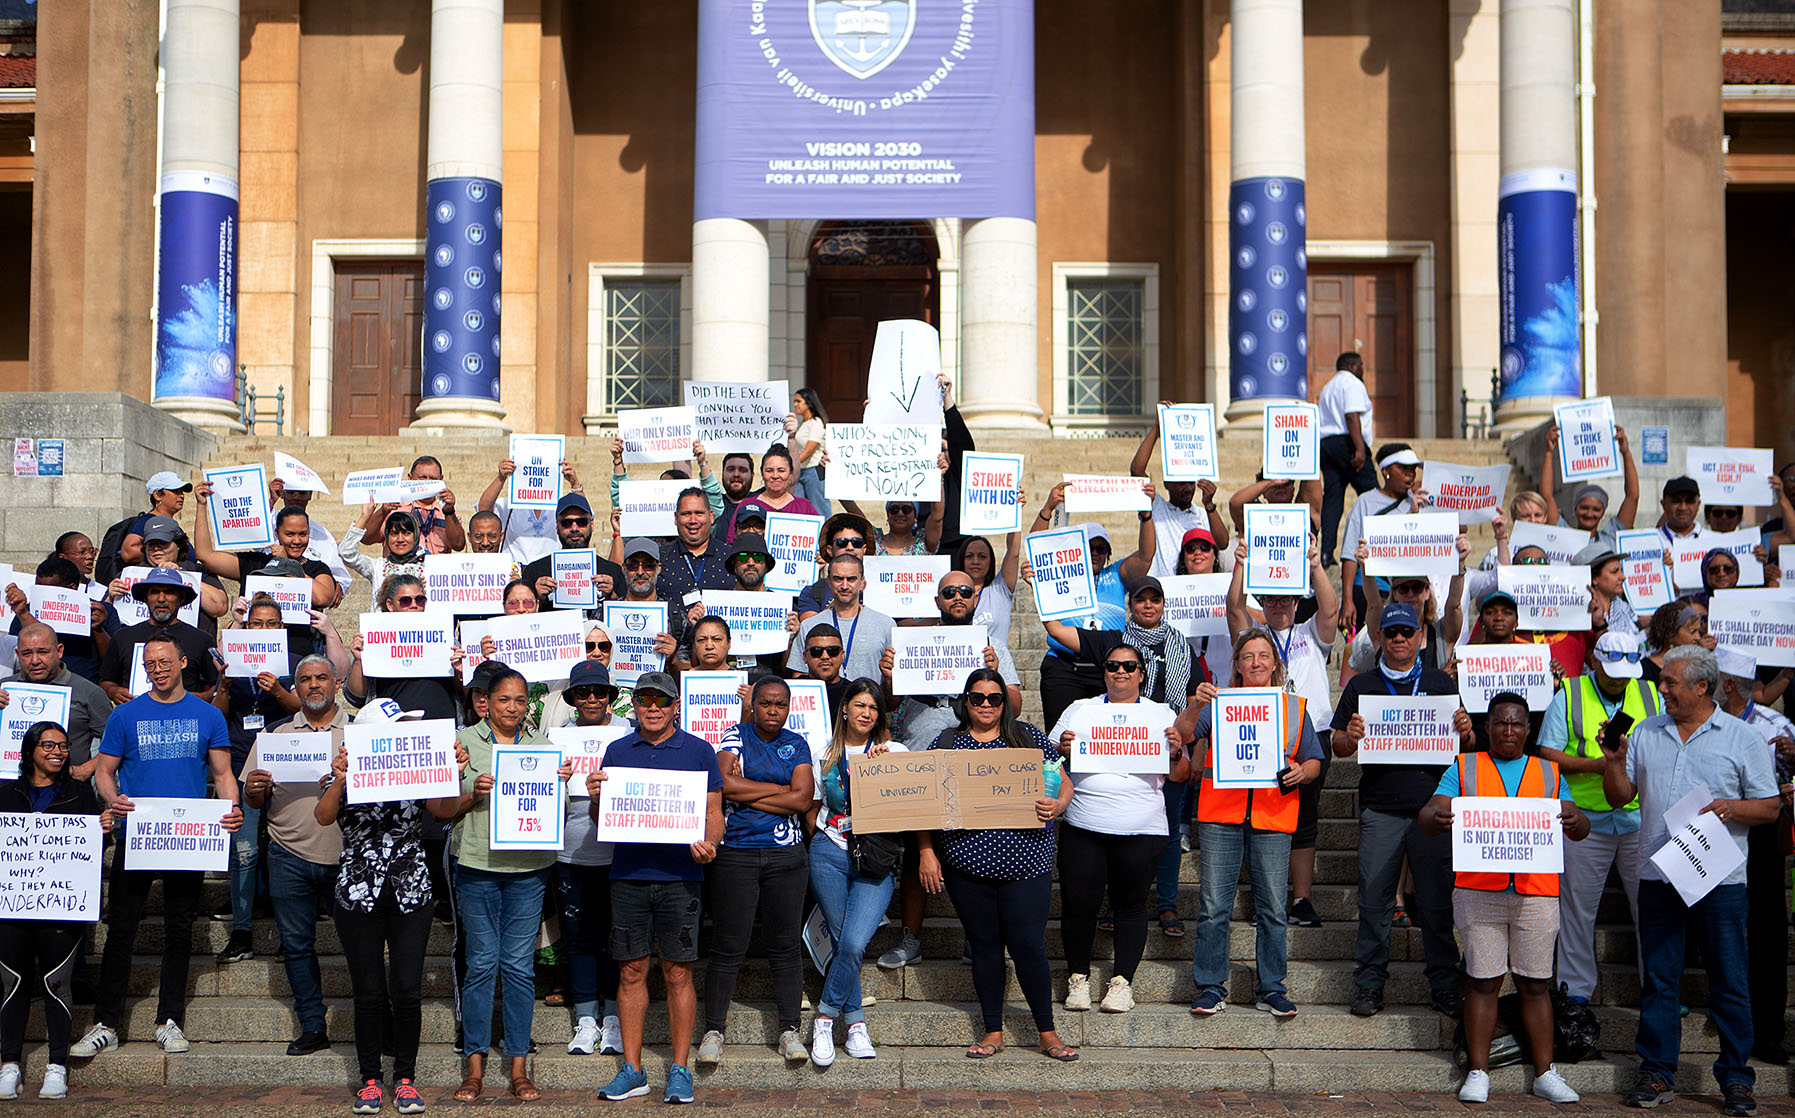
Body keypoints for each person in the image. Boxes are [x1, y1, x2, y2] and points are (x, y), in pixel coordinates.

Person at [1599, 646, 1779, 1115]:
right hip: (1658, 877)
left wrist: (1731, 808)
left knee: (1729, 980)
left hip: (1720, 882)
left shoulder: (1743, 738)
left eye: (1670, 682)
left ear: (1702, 686)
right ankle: (1658, 1071)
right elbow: (1619, 797)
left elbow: (1770, 807)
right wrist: (1614, 761)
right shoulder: (1645, 732)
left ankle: (1736, 1078)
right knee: (1659, 980)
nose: (1661, 689)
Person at [74, 632, 242, 1059]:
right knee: (121, 929)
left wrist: (233, 809)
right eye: (150, 664)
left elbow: (223, 775)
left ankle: (169, 1019)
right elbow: (105, 771)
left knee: (179, 929)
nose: (158, 669)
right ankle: (107, 1022)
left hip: (187, 839)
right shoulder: (125, 715)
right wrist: (113, 799)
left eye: (165, 661)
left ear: (183, 663)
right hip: (138, 835)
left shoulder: (208, 715)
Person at [1418, 691, 1588, 1105]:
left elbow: (1579, 826)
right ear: (1487, 727)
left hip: (1536, 893)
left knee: (1536, 983)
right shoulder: (1464, 767)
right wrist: (1435, 817)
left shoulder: (1548, 771)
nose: (1508, 730)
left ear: (1528, 730)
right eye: (1500, 723)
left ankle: (1545, 1073)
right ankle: (1478, 1072)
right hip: (1479, 892)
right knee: (1483, 981)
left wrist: (1576, 819)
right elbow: (1428, 814)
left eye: (1516, 724)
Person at [917, 669, 1076, 1062]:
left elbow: (1063, 779)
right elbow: (924, 802)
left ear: (1005, 702)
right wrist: (926, 851)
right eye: (977, 697)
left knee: (1028, 946)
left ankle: (1047, 1032)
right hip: (967, 866)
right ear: (965, 702)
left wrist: (1059, 804)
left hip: (1027, 863)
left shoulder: (1028, 737)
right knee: (985, 947)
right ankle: (993, 1031)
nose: (986, 705)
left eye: (994, 698)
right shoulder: (947, 742)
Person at [1331, 602, 1475, 1018]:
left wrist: (1466, 732)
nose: (1398, 639)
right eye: (1391, 633)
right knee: (1374, 901)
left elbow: (1466, 746)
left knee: (1436, 902)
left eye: (1406, 633)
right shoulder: (1362, 686)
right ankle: (1369, 983)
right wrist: (1350, 737)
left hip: (1434, 810)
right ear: (1380, 637)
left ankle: (1444, 984)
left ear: (1419, 638)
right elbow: (1338, 745)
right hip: (1382, 808)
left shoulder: (1440, 683)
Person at [876, 571, 1023, 970]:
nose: (958, 596)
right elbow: (890, 703)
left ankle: (978, 939)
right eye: (949, 592)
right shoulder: (913, 642)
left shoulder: (992, 645)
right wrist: (889, 677)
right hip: (922, 748)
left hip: (977, 759)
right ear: (937, 601)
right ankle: (911, 938)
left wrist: (995, 674)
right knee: (916, 851)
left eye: (965, 591)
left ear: (976, 598)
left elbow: (1015, 706)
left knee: (975, 847)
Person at [590, 672, 724, 1105]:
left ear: (676, 706)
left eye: (661, 700)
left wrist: (711, 844)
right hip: (628, 875)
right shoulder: (617, 750)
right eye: (645, 699)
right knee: (630, 971)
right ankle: (632, 1069)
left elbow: (714, 812)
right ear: (633, 705)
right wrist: (595, 799)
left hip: (681, 877)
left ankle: (680, 1069)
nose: (653, 707)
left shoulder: (699, 751)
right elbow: (602, 819)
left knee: (678, 972)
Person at [317, 700, 455, 1116]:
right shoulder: (342, 768)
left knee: (408, 989)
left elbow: (444, 811)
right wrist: (340, 779)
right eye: (397, 726)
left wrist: (449, 771)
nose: (405, 733)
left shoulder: (417, 768)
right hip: (358, 890)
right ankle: (370, 1080)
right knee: (369, 991)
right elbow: (323, 816)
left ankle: (406, 1079)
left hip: (410, 888)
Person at [1182, 629, 1324, 1019]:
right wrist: (1196, 704)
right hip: (1221, 815)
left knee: (1274, 908)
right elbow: (1184, 734)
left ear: (1275, 663)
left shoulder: (1293, 707)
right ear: (1238, 665)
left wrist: (1303, 772)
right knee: (1213, 907)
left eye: (1263, 655)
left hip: (1273, 815)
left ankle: (1272, 988)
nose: (1257, 662)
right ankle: (1210, 986)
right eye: (1248, 656)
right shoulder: (1219, 702)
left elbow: (1314, 759)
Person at [430, 667, 556, 1103]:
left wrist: (558, 785)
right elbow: (441, 808)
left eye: (520, 700)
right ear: (486, 702)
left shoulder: (544, 748)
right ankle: (474, 1066)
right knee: (482, 964)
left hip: (528, 869)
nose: (512, 708)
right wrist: (472, 793)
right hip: (477, 866)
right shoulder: (462, 743)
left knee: (519, 967)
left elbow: (553, 811)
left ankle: (519, 1066)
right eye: (504, 699)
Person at [1050, 644, 1188, 1014]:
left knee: (1131, 905)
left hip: (1142, 827)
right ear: (1104, 672)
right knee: (1078, 904)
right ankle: (1077, 978)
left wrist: (1176, 752)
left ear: (1142, 673)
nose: (1120, 671)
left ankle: (1122, 982)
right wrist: (1062, 748)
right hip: (1085, 823)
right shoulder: (1080, 709)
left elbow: (1181, 774)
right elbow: (1047, 761)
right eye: (1113, 665)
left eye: (1129, 666)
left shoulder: (1162, 713)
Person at [1536, 631, 1659, 1005]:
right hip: (1586, 821)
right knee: (1577, 911)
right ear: (1593, 661)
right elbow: (1547, 753)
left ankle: (1659, 990)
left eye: (1625, 674)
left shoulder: (1650, 692)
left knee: (1652, 908)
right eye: (1611, 672)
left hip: (1638, 817)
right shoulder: (1570, 693)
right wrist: (1597, 766)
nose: (1619, 680)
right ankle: (1575, 992)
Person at [698, 676, 815, 1068]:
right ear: (754, 705)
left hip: (787, 857)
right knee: (728, 945)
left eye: (780, 704)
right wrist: (778, 791)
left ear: (789, 707)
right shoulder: (735, 735)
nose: (772, 710)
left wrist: (748, 789)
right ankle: (714, 1030)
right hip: (737, 854)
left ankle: (789, 1030)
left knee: (785, 945)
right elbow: (723, 785)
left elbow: (802, 799)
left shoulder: (797, 744)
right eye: (765, 703)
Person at [1225, 536, 1339, 922]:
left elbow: (1331, 607)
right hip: (1262, 733)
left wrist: (1315, 564)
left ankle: (1301, 900)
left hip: (1311, 732)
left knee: (1305, 818)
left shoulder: (1310, 633)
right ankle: (1267, 900)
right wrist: (1241, 564)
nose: (1278, 605)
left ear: (1296, 602)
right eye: (1271, 600)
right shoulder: (1255, 639)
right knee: (1263, 819)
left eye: (1285, 599)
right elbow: (1234, 608)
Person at [242, 653, 347, 1057]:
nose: (314, 684)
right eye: (305, 679)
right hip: (287, 854)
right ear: (296, 687)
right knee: (298, 946)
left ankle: (374, 1021)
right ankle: (312, 1025)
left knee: (361, 946)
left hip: (348, 859)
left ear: (337, 683)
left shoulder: (361, 732)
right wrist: (254, 788)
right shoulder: (275, 734)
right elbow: (254, 799)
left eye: (322, 677)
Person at [0, 722, 111, 1101]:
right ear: (30, 749)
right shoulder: (6, 794)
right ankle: (9, 1065)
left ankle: (56, 1066)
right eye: (48, 745)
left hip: (61, 908)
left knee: (57, 984)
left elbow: (90, 847)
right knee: (12, 983)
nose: (57, 752)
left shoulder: (79, 794)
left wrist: (104, 830)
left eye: (63, 746)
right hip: (13, 908)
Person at [805, 679, 900, 1066]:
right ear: (844, 708)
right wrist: (821, 841)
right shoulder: (823, 753)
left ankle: (826, 1018)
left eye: (873, 708)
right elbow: (813, 808)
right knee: (842, 939)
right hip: (829, 852)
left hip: (875, 858)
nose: (866, 713)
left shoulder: (894, 751)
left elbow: (910, 803)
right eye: (860, 705)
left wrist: (886, 768)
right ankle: (857, 1024)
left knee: (854, 942)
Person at [1715, 648, 1795, 1065]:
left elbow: (1790, 787)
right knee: (1720, 928)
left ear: (1728, 684)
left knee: (1767, 933)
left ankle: (1768, 1031)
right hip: (1716, 830)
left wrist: (1793, 762)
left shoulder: (1776, 725)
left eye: (1714, 679)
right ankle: (1729, 1015)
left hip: (1762, 836)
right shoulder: (1705, 721)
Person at [1029, 479, 1157, 729]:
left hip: (1107, 668)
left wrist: (1146, 516)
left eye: (1101, 548)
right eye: (1090, 547)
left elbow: (1145, 555)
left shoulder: (1117, 573)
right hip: (1065, 667)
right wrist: (1047, 510)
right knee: (1061, 738)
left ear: (1108, 553)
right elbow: (1038, 551)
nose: (1096, 553)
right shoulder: (1063, 572)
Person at [554, 661, 625, 1060]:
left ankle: (613, 1016)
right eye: (583, 693)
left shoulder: (628, 733)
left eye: (600, 692)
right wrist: (555, 781)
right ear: (572, 699)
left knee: (617, 936)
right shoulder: (557, 741)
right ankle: (585, 1018)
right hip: (569, 851)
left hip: (619, 854)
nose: (592, 699)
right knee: (579, 937)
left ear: (611, 696)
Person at [191, 486, 342, 613]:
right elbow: (205, 555)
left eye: (303, 534)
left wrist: (287, 565)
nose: (296, 541)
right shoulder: (257, 563)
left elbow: (322, 598)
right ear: (277, 533)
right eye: (289, 534)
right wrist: (201, 506)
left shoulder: (317, 568)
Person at [344, 574, 462, 724]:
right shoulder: (373, 640)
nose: (414, 605)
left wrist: (459, 670)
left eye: (420, 599)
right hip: (392, 729)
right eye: (405, 601)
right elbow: (355, 697)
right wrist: (359, 661)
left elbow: (464, 692)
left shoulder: (445, 639)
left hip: (441, 725)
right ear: (390, 605)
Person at [0, 620, 112, 776]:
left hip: (67, 786)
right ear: (18, 655)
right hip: (10, 785)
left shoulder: (89, 692)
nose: (35, 660)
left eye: (43, 652)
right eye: (27, 654)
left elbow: (117, 742)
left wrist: (86, 769)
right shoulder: (4, 687)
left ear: (59, 651)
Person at [1338, 444, 1427, 633]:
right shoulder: (1366, 502)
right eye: (1403, 469)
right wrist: (1347, 600)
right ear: (1386, 471)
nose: (1410, 474)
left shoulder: (1419, 502)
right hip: (1368, 589)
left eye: (1413, 469)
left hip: (1405, 592)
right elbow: (1349, 554)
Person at [97, 566, 218, 704]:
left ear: (181, 598)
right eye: (154, 592)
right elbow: (105, 681)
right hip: (136, 713)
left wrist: (202, 697)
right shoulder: (123, 637)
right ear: (145, 597)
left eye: (169, 592)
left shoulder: (201, 640)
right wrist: (113, 691)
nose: (161, 599)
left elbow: (218, 684)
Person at [784, 553, 895, 686]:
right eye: (838, 579)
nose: (844, 586)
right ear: (829, 582)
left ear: (862, 583)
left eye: (851, 579)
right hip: (825, 699)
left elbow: (892, 680)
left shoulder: (886, 625)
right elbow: (799, 675)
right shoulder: (809, 625)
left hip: (869, 698)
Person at [11, 556, 121, 688]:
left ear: (72, 588)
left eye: (48, 592)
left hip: (83, 690)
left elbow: (113, 662)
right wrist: (23, 613)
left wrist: (98, 629)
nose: (42, 597)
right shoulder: (26, 611)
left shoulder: (101, 611)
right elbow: (17, 655)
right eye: (39, 590)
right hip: (36, 687)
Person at [1317, 353, 1379, 567]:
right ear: (1352, 366)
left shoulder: (1328, 387)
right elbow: (1351, 416)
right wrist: (1360, 449)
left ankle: (1326, 552)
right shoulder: (1352, 383)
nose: (1363, 370)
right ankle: (1382, 545)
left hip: (1327, 445)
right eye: (1361, 365)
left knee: (1333, 499)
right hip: (1349, 444)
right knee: (1374, 495)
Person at [1541, 422, 1641, 548]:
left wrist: (1626, 453)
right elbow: (1546, 496)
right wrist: (1549, 452)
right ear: (1575, 509)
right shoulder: (1563, 535)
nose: (1589, 514)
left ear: (1603, 512)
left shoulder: (1612, 537)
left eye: (1596, 509)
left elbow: (1632, 497)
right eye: (1584, 508)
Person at [521, 493, 623, 608]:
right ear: (557, 526)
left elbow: (626, 612)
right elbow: (521, 614)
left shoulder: (613, 572)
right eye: (567, 523)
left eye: (581, 522)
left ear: (592, 524)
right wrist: (535, 598)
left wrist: (612, 596)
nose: (574, 528)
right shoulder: (534, 571)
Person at [479, 455, 583, 566]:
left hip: (550, 570)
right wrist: (501, 478)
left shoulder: (559, 504)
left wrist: (575, 484)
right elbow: (483, 510)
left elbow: (584, 516)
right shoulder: (510, 504)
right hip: (516, 571)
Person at [658, 488, 736, 604]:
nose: (693, 520)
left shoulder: (731, 557)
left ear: (711, 516)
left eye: (699, 513)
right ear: (676, 518)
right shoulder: (659, 557)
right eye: (686, 514)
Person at [793, 512, 875, 620]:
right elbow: (810, 626)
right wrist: (844, 598)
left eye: (856, 543)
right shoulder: (814, 591)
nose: (850, 547)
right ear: (830, 550)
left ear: (864, 549)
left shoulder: (879, 587)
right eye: (842, 542)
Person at [952, 530, 1022, 648]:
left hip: (997, 659)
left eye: (982, 556)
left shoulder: (1000, 590)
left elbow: (1013, 552)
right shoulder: (950, 595)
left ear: (991, 561)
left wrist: (1014, 520)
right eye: (969, 556)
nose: (975, 561)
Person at [383, 455, 465, 554]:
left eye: (433, 479)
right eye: (422, 478)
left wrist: (449, 512)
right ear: (410, 478)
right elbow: (369, 538)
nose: (427, 483)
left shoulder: (447, 512)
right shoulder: (394, 507)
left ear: (441, 480)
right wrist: (382, 512)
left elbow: (458, 545)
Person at [339, 505, 428, 590]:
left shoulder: (428, 567)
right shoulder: (377, 567)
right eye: (394, 534)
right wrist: (365, 516)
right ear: (387, 537)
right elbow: (346, 552)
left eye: (406, 533)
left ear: (416, 536)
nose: (400, 539)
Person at [117, 471, 194, 567]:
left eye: (182, 492)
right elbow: (128, 552)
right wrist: (160, 558)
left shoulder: (173, 525)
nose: (181, 495)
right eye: (175, 491)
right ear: (157, 495)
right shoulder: (148, 522)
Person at [1656, 476, 1707, 595]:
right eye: (1676, 501)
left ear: (1698, 504)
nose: (1683, 507)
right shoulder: (1650, 542)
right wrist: (1661, 576)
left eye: (1689, 501)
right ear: (1663, 504)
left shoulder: (1715, 540)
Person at [788, 387, 830, 514]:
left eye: (798, 401)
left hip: (814, 472)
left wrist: (789, 466)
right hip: (800, 471)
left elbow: (808, 451)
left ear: (809, 403)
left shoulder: (816, 423)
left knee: (819, 509)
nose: (795, 404)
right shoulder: (803, 424)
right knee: (799, 509)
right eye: (794, 401)